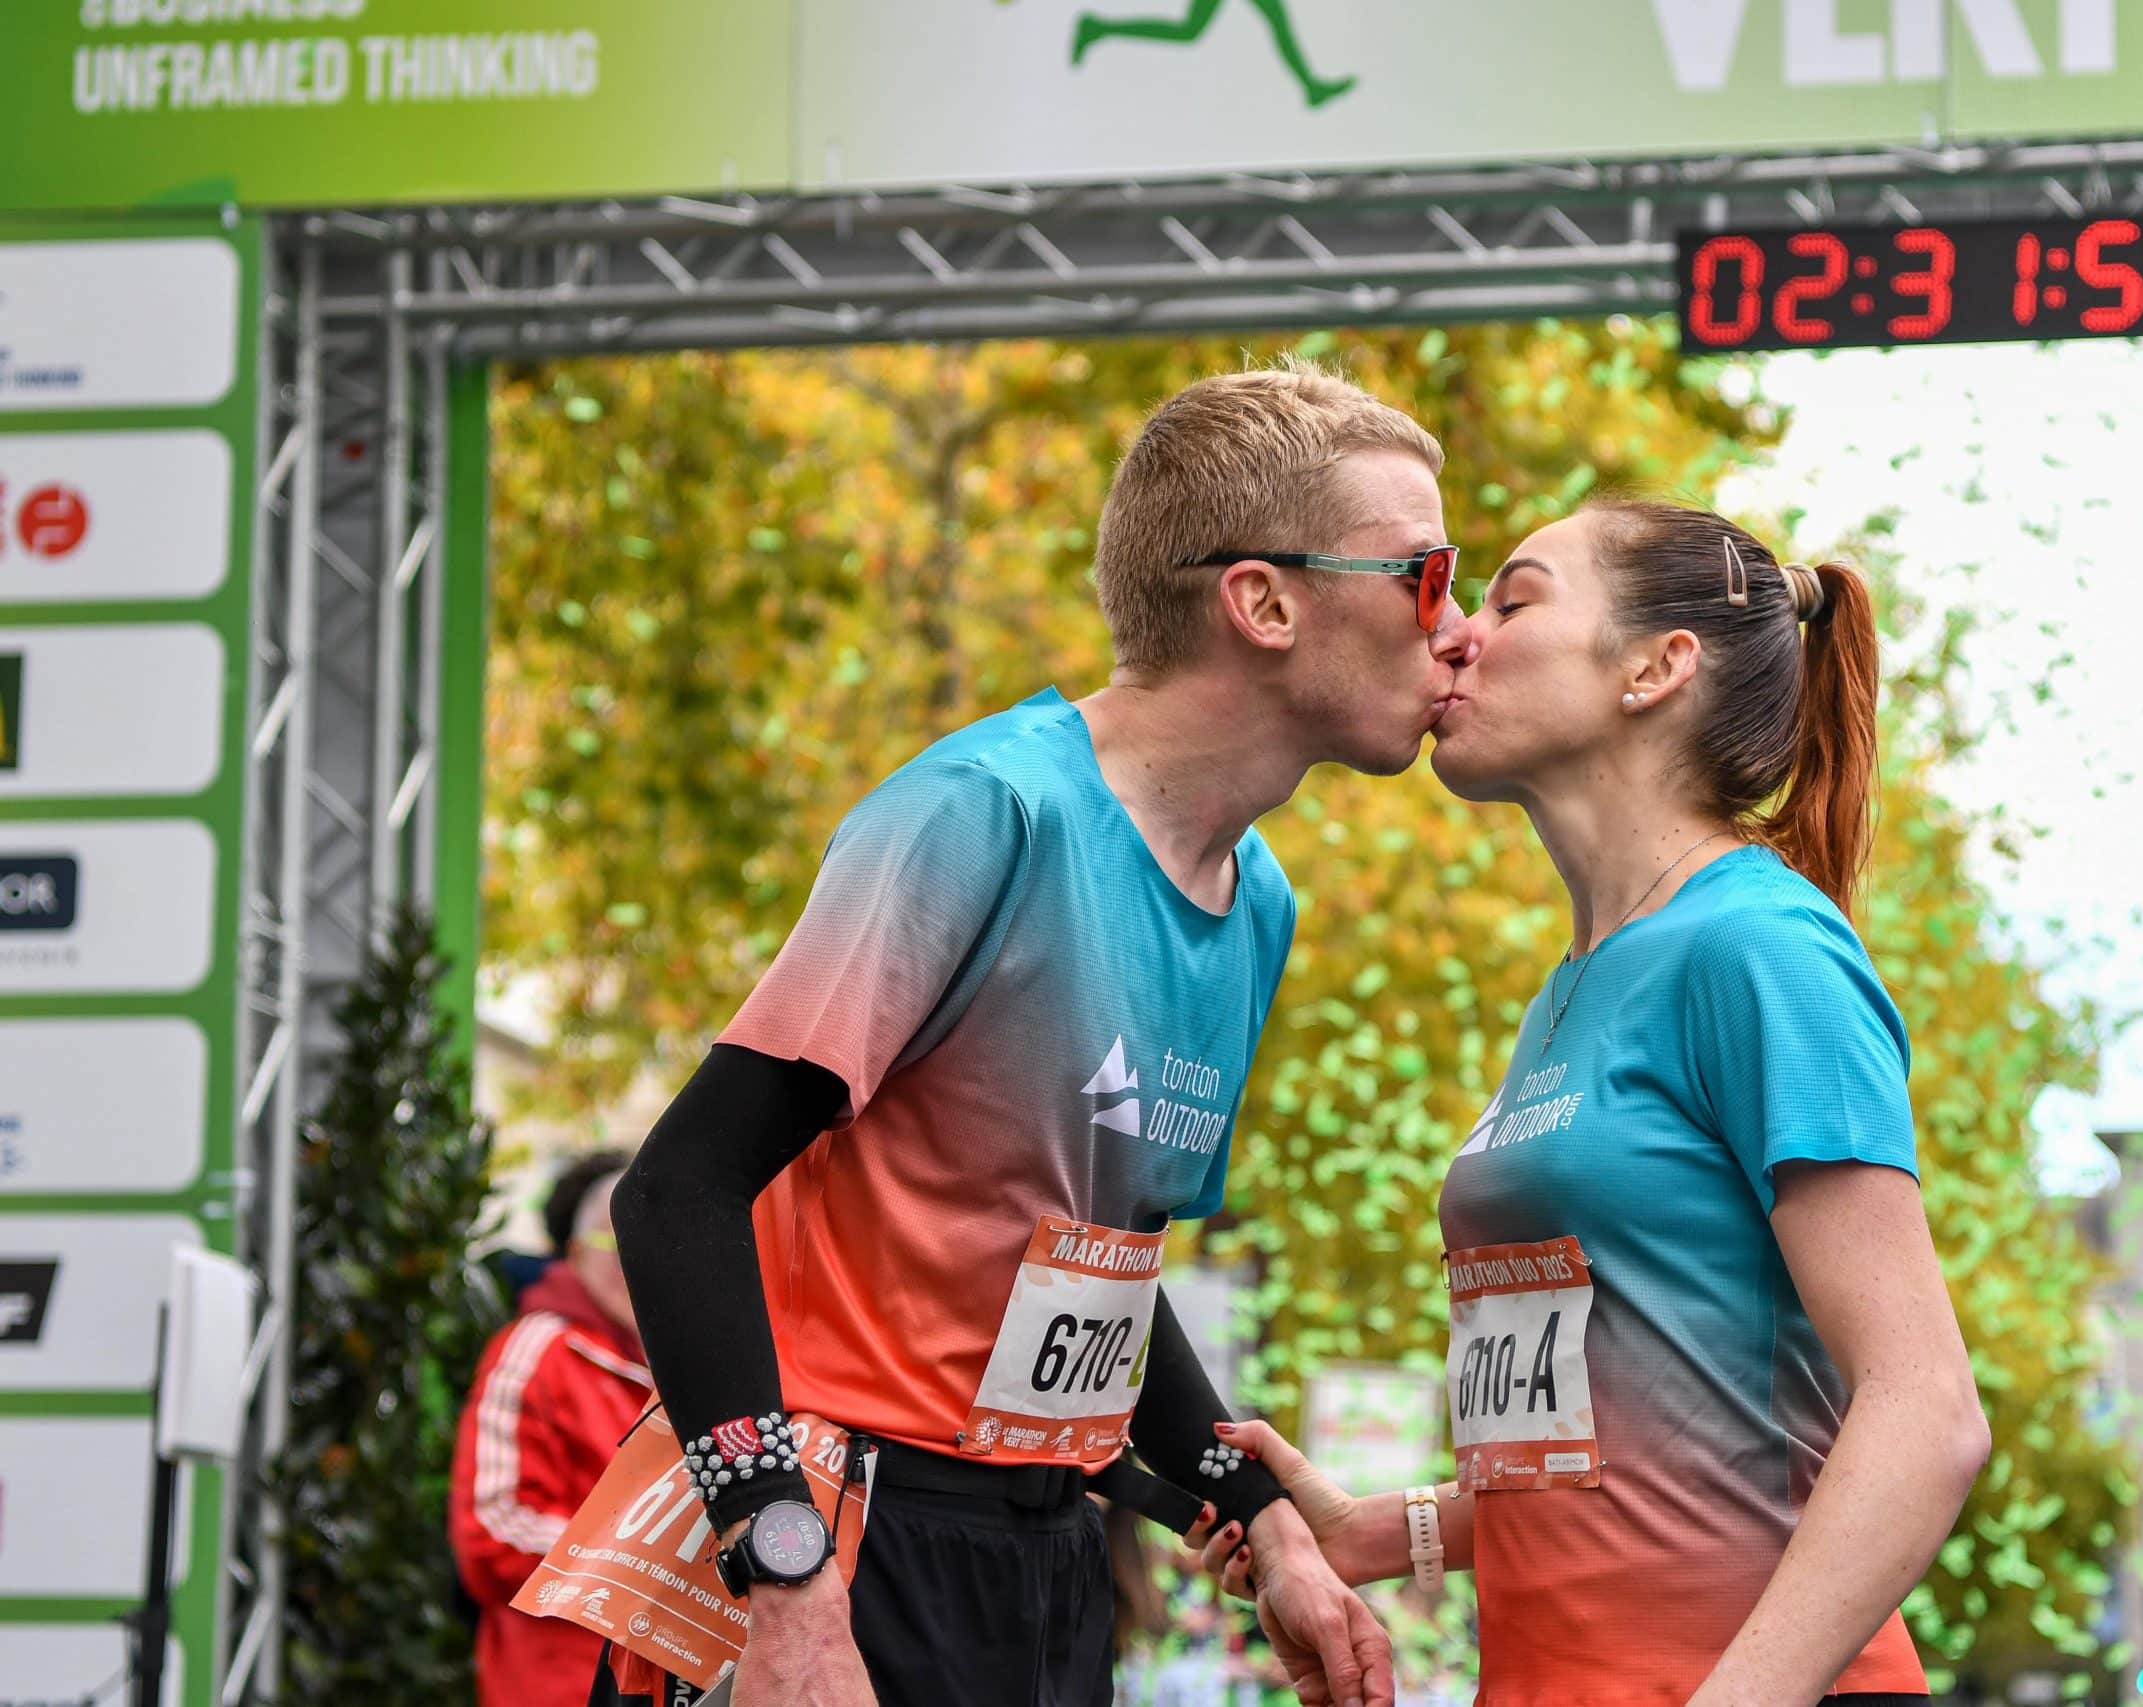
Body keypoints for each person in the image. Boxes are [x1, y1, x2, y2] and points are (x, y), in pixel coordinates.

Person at [599, 363, 1472, 1707]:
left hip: (1050, 1547)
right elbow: (674, 1189)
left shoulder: (1259, 900)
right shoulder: (979, 812)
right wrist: (782, 1571)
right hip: (840, 1535)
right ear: (1263, 600)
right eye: (1426, 574)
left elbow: (1098, 1277)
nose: (1459, 629)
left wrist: (1266, 1510)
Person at [1205, 501, 1991, 1706]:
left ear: (1653, 668)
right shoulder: (1574, 986)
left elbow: (1924, 1411)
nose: (1457, 633)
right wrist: (1379, 1530)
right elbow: (1644, 1449)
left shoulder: (1760, 947)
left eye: (1514, 600)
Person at [452, 1151, 653, 1707]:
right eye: (612, 1241)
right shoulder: (540, 1350)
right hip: (557, 1685)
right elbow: (491, 1533)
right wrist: (647, 1564)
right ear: (572, 1251)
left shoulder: (688, 1363)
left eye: (653, 1235)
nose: (634, 1258)